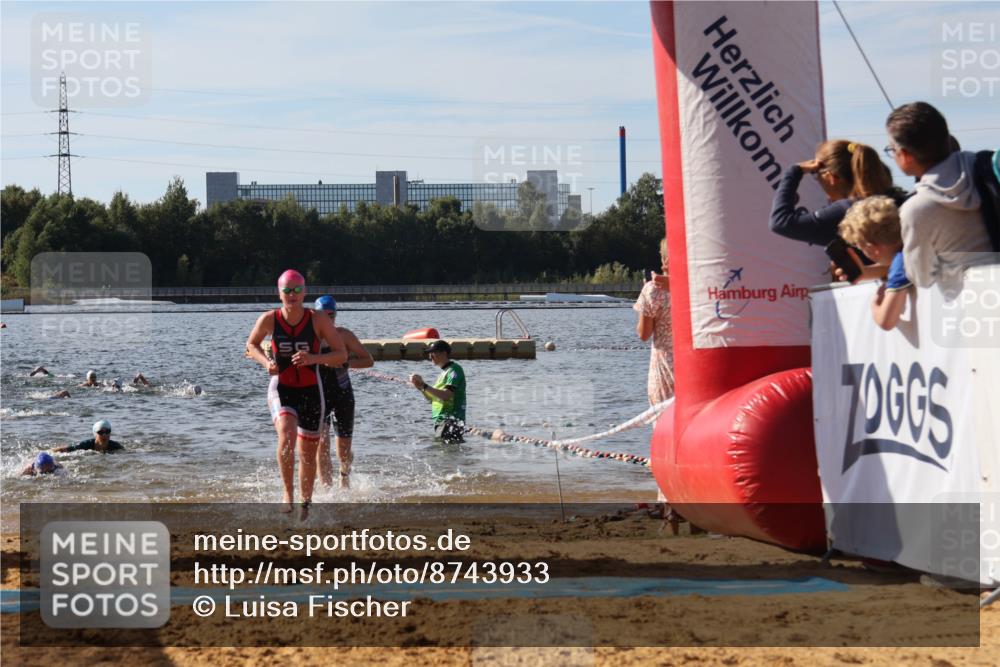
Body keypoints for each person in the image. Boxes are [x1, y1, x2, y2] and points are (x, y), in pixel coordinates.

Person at [246, 270, 347, 514]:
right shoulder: (269, 319)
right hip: (281, 387)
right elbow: (251, 345)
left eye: (297, 290)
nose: (292, 295)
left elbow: (341, 354)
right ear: (279, 293)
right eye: (287, 290)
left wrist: (314, 358)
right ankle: (287, 494)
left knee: (308, 454)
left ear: (304, 293)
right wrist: (266, 363)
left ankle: (305, 504)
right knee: (287, 433)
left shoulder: (318, 319)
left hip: (311, 390)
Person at [885, 101, 994, 288]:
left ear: (905, 155)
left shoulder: (916, 210)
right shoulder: (987, 167)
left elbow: (921, 277)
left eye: (891, 149)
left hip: (975, 298)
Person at [769, 139, 902, 246]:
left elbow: (781, 222)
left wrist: (794, 171)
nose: (817, 180)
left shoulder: (846, 210)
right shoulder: (896, 199)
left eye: (816, 174)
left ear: (830, 177)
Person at [312, 296, 374, 489]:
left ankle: (344, 478)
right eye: (324, 315)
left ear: (336, 315)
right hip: (318, 395)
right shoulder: (310, 338)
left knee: (343, 450)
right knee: (322, 444)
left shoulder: (344, 335)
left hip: (342, 394)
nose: (328, 319)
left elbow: (368, 360)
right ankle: (326, 489)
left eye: (331, 315)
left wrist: (346, 363)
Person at [839, 196, 912, 330]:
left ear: (871, 248)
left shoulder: (901, 264)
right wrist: (866, 273)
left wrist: (875, 302)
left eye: (859, 247)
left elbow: (886, 321)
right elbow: (892, 267)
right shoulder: (911, 247)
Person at [634, 237, 674, 406]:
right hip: (693, 369)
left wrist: (645, 293)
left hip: (664, 369)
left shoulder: (653, 290)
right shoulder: (696, 288)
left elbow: (643, 334)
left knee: (663, 419)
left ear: (666, 260)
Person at [409, 340, 467, 444]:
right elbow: (432, 399)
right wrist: (420, 387)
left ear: (444, 353)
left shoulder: (454, 370)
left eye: (433, 352)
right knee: (443, 452)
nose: (430, 356)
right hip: (440, 421)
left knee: (446, 451)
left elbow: (446, 395)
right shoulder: (442, 374)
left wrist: (424, 385)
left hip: (451, 421)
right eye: (429, 353)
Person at [53, 420, 124, 453]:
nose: (104, 435)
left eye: (107, 431)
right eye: (101, 432)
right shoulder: (86, 444)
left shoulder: (115, 446)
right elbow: (65, 449)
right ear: (95, 434)